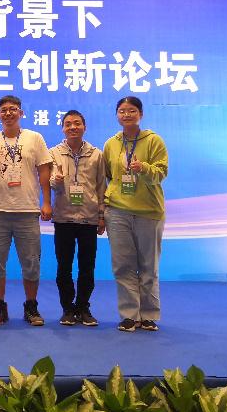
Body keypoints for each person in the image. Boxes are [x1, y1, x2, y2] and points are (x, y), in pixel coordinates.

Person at [0, 95, 52, 327]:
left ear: (21, 113)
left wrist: (46, 202)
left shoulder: (34, 138)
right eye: (4, 110)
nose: (8, 113)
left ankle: (31, 306)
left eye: (13, 109)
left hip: (27, 210)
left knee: (31, 261)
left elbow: (44, 171)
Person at [103, 96, 168, 332]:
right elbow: (109, 176)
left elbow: (161, 173)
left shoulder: (153, 141)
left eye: (131, 110)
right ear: (117, 115)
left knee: (149, 266)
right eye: (122, 111)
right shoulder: (111, 143)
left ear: (141, 114)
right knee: (123, 266)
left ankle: (149, 314)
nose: (127, 115)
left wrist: (143, 168)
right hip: (117, 211)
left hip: (148, 212)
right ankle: (130, 315)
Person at [49, 110, 106, 326]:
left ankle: (83, 307)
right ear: (63, 128)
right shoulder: (53, 153)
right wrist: (56, 180)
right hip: (63, 217)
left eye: (77, 123)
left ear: (84, 127)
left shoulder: (96, 154)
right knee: (63, 267)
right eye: (68, 124)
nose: (73, 127)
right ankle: (67, 309)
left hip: (88, 218)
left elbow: (101, 187)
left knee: (87, 267)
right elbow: (50, 183)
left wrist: (101, 216)